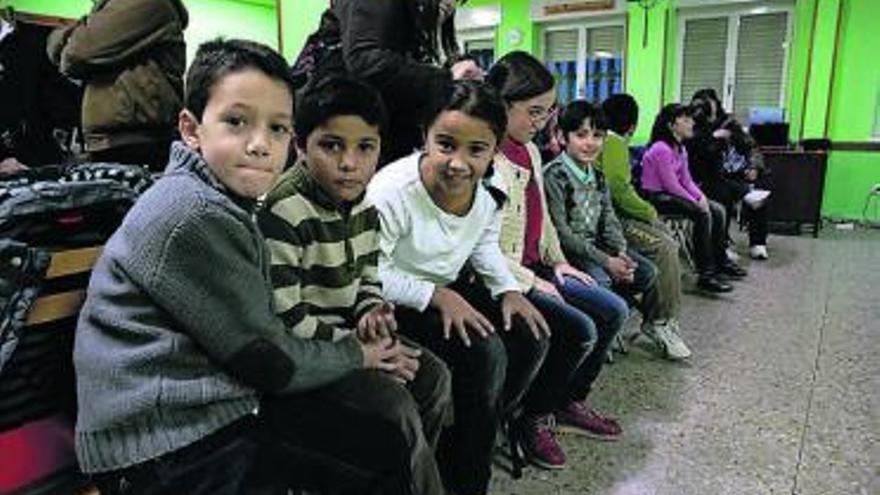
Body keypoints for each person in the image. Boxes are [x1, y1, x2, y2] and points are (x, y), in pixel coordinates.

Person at [72, 39, 410, 495]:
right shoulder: (193, 212)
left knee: (379, 443)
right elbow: (270, 362)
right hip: (160, 445)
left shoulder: (219, 200)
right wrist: (360, 355)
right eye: (236, 122)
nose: (259, 145)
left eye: (276, 129)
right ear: (191, 129)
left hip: (209, 410)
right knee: (375, 456)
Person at [257, 76, 451, 495]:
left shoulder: (364, 204)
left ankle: (406, 482)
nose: (350, 163)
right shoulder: (284, 211)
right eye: (331, 146)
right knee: (394, 406)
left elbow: (367, 277)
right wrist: (360, 350)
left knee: (435, 378)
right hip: (308, 355)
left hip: (352, 341)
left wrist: (371, 310)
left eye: (365, 147)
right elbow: (286, 318)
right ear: (300, 145)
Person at [367, 80, 550, 495]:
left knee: (531, 336)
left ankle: (478, 428)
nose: (458, 163)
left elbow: (483, 244)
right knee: (486, 356)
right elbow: (370, 270)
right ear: (425, 137)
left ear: (494, 150)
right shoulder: (392, 191)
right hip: (392, 301)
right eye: (445, 144)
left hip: (444, 292)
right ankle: (466, 477)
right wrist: (436, 295)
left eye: (477, 150)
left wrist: (508, 290)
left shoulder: (487, 195)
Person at [487, 51, 622, 470]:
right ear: (501, 105)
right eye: (533, 111)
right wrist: (530, 280)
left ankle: (567, 402)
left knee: (613, 310)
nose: (542, 122)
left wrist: (559, 263)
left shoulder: (529, 152)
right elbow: (480, 245)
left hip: (538, 268)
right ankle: (532, 416)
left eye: (547, 112)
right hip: (504, 277)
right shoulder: (487, 155)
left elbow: (541, 219)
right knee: (579, 328)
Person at [329, 0, 483, 164]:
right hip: (355, 137)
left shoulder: (419, 21)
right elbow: (365, 61)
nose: (451, 4)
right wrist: (446, 78)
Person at [599, 93, 692, 359]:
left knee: (666, 241)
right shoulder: (614, 143)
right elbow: (620, 190)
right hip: (612, 221)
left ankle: (663, 318)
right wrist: (650, 214)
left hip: (614, 216)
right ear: (631, 125)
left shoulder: (677, 149)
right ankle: (660, 320)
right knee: (664, 246)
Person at [46, 0, 188, 171]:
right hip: (120, 139)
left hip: (135, 142)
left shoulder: (143, 2)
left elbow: (76, 54)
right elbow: (60, 53)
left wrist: (72, 34)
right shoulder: (111, 9)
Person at [640, 103, 741, 293]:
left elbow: (687, 181)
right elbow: (671, 185)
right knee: (702, 214)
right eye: (685, 120)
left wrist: (700, 196)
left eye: (690, 119)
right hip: (657, 197)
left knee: (717, 209)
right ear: (672, 125)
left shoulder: (681, 149)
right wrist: (696, 203)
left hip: (673, 195)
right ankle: (706, 274)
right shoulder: (661, 148)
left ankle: (720, 262)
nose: (691, 123)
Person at [689, 88, 773, 260]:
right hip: (707, 177)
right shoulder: (693, 126)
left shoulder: (729, 124)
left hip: (735, 174)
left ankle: (758, 243)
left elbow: (751, 148)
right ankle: (721, 244)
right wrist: (714, 138)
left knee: (757, 196)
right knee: (723, 196)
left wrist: (754, 167)